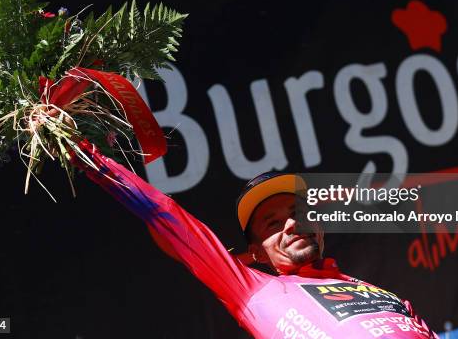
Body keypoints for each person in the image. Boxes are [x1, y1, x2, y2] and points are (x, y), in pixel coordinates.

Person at [72, 140, 438, 338]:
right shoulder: (251, 289)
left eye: (297, 213)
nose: (292, 225)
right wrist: (90, 157)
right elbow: (167, 216)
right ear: (255, 252)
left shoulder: (382, 295)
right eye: (272, 224)